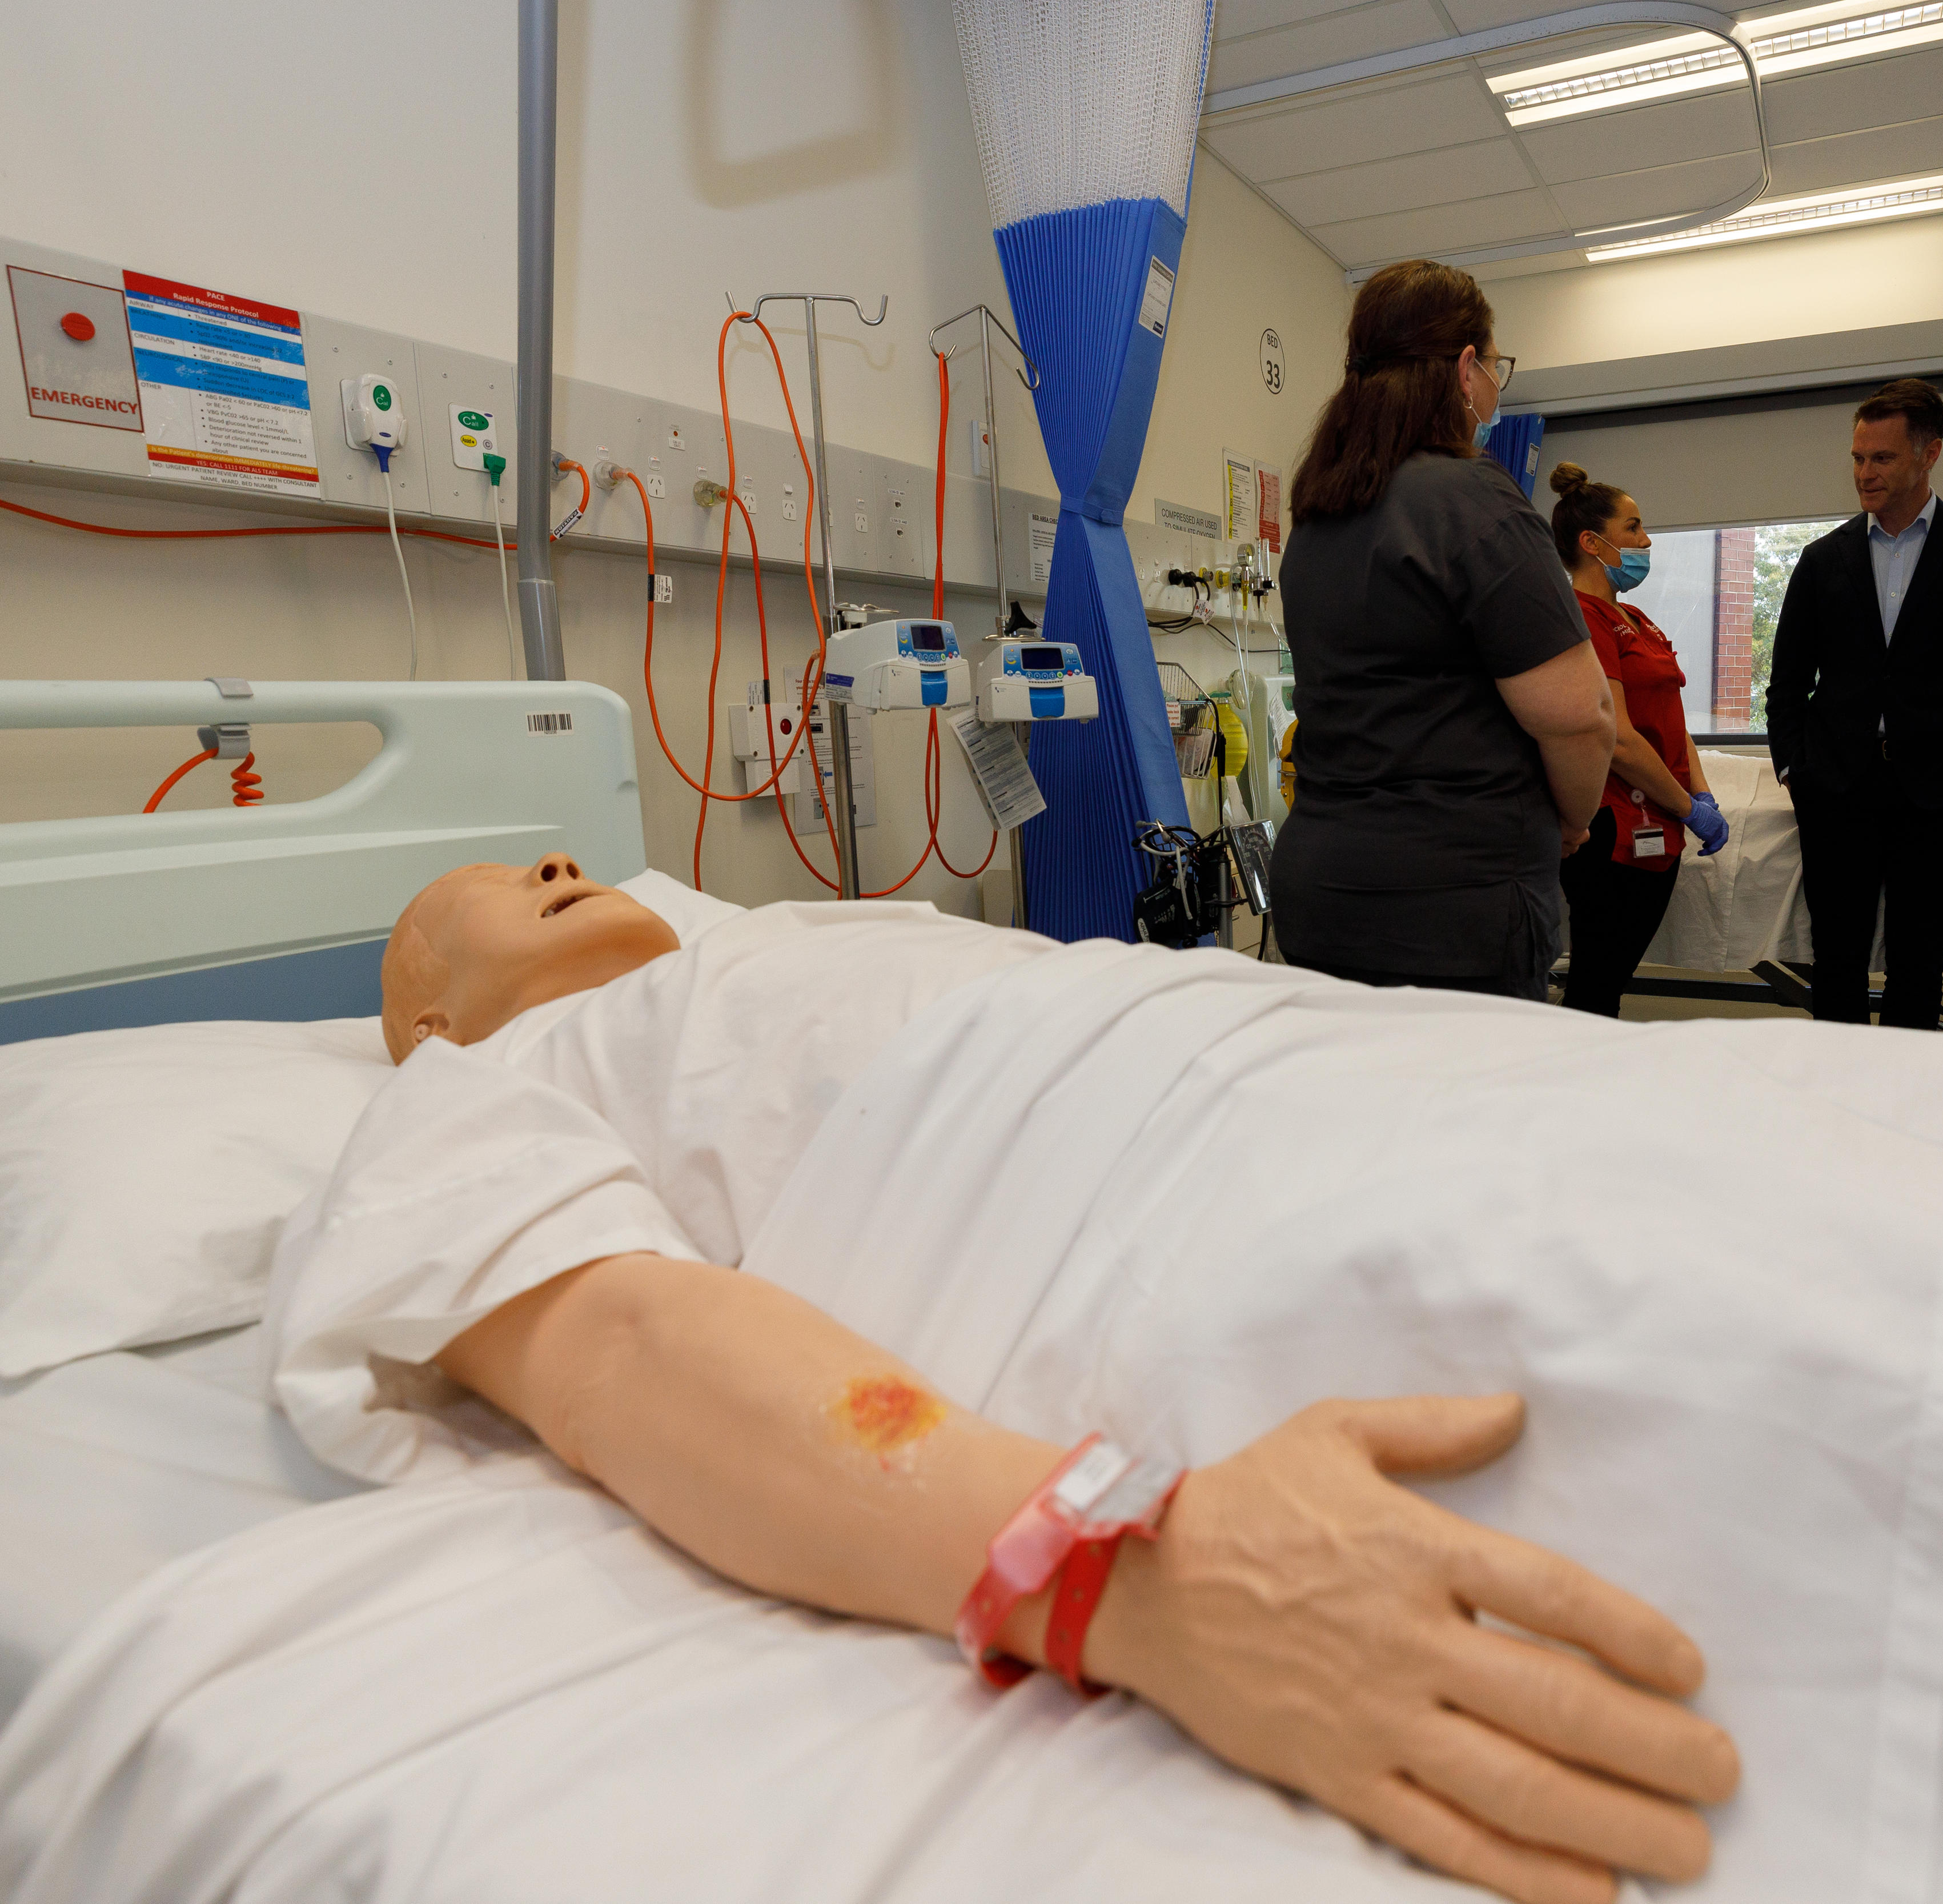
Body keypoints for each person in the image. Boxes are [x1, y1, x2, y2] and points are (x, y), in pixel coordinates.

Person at [340, 853, 1736, 1904]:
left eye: (558, 857)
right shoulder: (472, 1089)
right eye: (489, 888)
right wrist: (1121, 1560)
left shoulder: (790, 931)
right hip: (1151, 1182)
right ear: (429, 1022)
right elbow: (619, 1349)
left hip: (1326, 1053)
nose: (558, 864)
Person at [1271, 260, 1616, 1001]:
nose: (1496, 387)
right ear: (1467, 370)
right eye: (1497, 368)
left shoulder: (1316, 522)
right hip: (1451, 909)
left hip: (1321, 891)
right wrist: (1573, 822)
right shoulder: (1473, 501)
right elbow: (1582, 717)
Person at [1764, 379, 1943, 1029]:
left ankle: (1908, 1110)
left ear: (1928, 453)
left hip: (1937, 789)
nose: (1864, 473)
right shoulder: (1822, 560)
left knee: (1917, 965)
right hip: (1834, 787)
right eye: (1856, 458)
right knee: (1837, 962)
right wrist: (1792, 767)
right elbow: (1787, 680)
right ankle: (1837, 1104)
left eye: (1880, 458)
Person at [1544, 462, 1728, 1016]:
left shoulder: (1638, 621)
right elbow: (1618, 739)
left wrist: (1700, 795)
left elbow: (1670, 716)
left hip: (1661, 821)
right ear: (1591, 542)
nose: (1646, 541)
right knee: (1596, 989)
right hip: (1611, 829)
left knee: (1609, 983)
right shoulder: (1579, 619)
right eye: (1633, 527)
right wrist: (1686, 807)